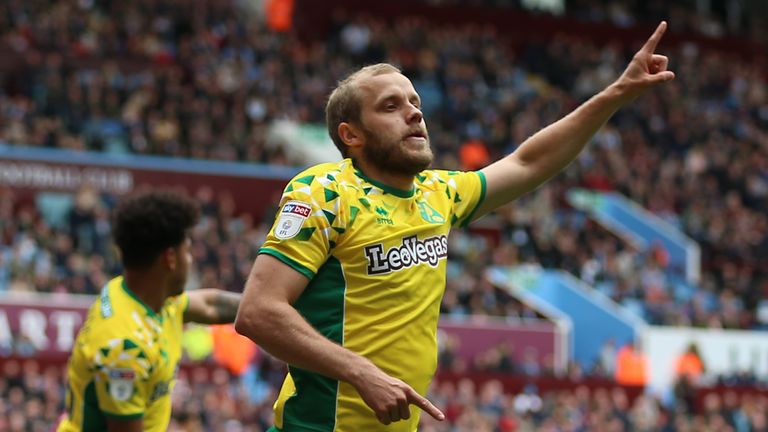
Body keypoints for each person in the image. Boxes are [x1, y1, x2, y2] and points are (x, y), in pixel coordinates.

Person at [235, 21, 675, 432]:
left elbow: (529, 161)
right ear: (352, 135)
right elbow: (258, 312)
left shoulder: (438, 193)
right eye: (391, 106)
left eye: (414, 103)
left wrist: (616, 94)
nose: (413, 113)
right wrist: (361, 372)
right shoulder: (326, 190)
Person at [57, 191, 242, 432]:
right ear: (170, 258)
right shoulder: (124, 348)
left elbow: (210, 305)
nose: (191, 259)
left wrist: (271, 303)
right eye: (187, 251)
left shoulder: (144, 294)